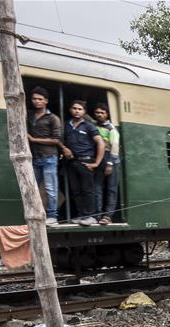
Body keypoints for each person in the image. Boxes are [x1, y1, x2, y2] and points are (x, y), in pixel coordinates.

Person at [61, 100, 105, 226]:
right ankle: (81, 215)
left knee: (87, 190)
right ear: (70, 110)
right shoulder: (67, 125)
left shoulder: (89, 126)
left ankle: (90, 216)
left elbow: (101, 143)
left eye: (80, 109)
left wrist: (96, 163)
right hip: (71, 162)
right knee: (75, 190)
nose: (77, 111)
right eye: (74, 108)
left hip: (86, 161)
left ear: (84, 111)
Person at [26, 87, 62, 225]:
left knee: (50, 188)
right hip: (36, 158)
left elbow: (56, 140)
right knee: (32, 187)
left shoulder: (53, 118)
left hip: (49, 157)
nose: (37, 101)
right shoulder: (29, 115)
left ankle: (53, 216)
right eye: (34, 99)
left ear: (46, 101)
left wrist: (34, 140)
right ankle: (35, 214)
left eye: (40, 99)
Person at [91, 103, 121, 224]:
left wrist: (110, 164)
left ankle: (108, 216)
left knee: (111, 189)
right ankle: (97, 215)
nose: (99, 115)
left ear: (107, 114)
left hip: (110, 159)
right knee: (97, 188)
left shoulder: (111, 128)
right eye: (97, 112)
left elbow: (115, 146)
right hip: (99, 157)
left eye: (102, 113)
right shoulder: (93, 125)